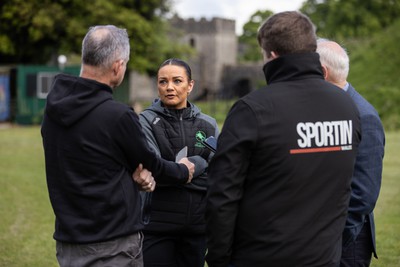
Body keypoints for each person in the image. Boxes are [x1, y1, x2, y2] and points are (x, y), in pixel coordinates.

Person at [205, 11, 362, 267]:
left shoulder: (252, 110)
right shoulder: (345, 106)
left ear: (272, 55)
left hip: (261, 256)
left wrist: (219, 258)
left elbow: (222, 196)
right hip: (324, 258)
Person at [41, 25, 195, 267]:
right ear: (117, 66)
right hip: (112, 244)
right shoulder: (118, 115)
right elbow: (152, 165)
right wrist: (184, 170)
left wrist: (130, 176)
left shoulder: (53, 109)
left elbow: (90, 161)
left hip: (69, 241)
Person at [138, 58, 219, 267]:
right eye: (163, 82)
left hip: (197, 228)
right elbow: (154, 171)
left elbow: (219, 175)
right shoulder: (145, 121)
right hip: (157, 227)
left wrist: (190, 166)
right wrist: (199, 167)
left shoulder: (208, 124)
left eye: (177, 81)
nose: (169, 87)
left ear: (190, 85)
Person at [317, 39, 385, 267]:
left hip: (348, 243)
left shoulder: (364, 116)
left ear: (323, 72)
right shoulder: (324, 107)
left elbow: (363, 195)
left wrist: (334, 242)